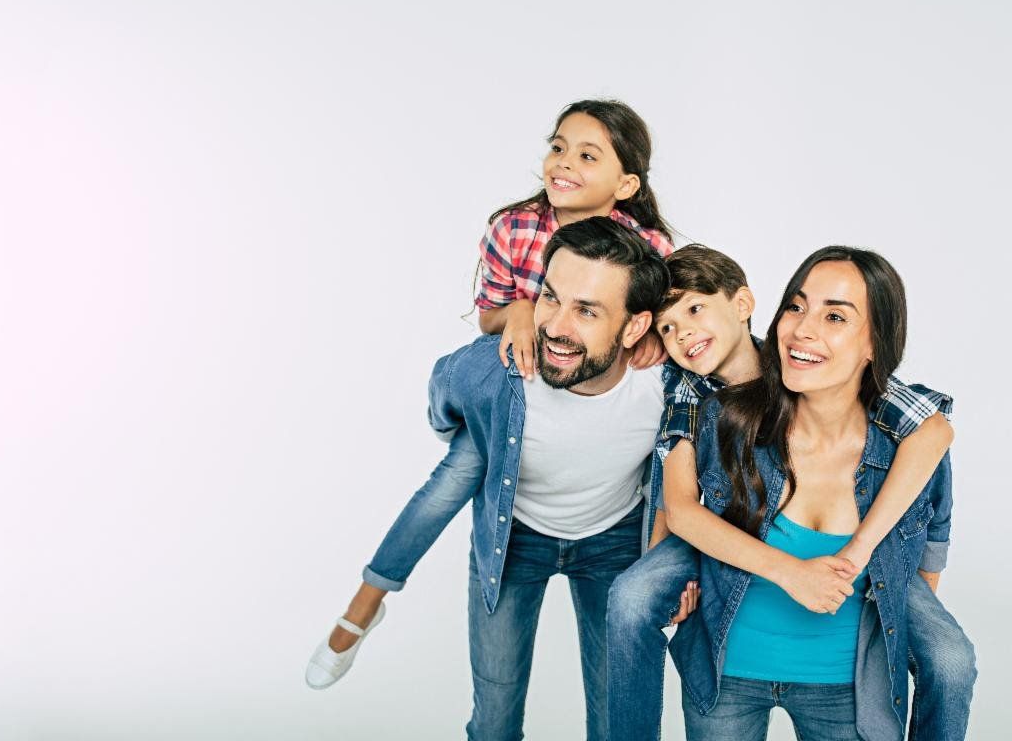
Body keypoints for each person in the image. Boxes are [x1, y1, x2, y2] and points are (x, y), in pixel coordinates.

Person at [307, 99, 672, 689]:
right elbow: (486, 321)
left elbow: (669, 321)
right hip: (512, 389)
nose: (563, 163)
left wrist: (651, 335)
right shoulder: (515, 228)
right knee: (451, 480)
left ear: (625, 183)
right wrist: (523, 310)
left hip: (595, 434)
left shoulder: (649, 247)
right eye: (557, 147)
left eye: (587, 155)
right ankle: (367, 600)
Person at [605, 245, 973, 739]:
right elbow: (680, 508)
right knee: (632, 597)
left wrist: (877, 585)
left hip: (853, 604)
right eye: (667, 328)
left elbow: (933, 436)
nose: (683, 333)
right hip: (709, 536)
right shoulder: (691, 392)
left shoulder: (841, 385)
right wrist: (672, 572)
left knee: (951, 659)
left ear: (744, 305)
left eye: (694, 311)